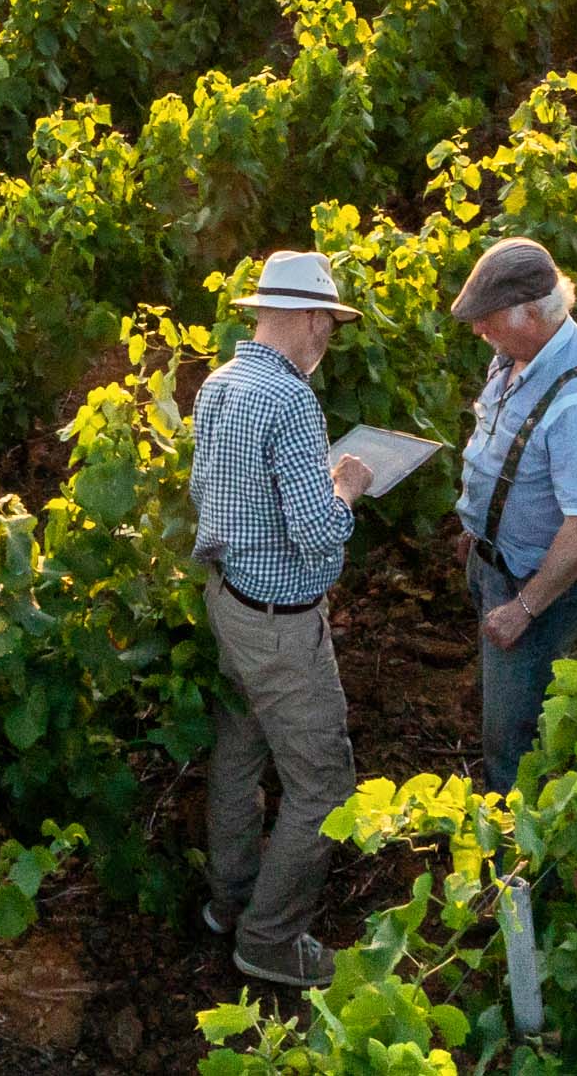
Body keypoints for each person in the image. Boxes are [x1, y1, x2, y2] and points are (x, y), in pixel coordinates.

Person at [188, 248, 380, 988]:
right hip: (280, 628)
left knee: (239, 753)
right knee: (323, 785)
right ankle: (268, 941)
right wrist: (349, 484)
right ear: (305, 317)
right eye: (328, 324)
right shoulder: (294, 401)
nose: (329, 338)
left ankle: (230, 903)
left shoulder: (220, 383)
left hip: (229, 603)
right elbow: (319, 532)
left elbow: (218, 493)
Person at [447, 236, 577, 795]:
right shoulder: (517, 353)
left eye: (488, 319)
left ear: (532, 314)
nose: (480, 331)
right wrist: (478, 534)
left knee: (514, 736)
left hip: (533, 585)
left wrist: (523, 609)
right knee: (506, 703)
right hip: (496, 563)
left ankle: (516, 863)